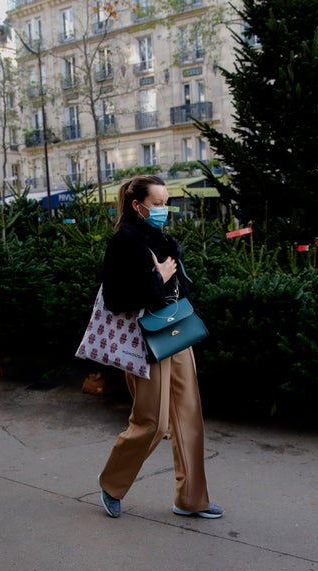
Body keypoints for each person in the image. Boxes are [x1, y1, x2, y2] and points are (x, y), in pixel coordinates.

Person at [96, 175, 222, 520]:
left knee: (189, 418)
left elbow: (175, 288)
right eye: (158, 204)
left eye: (167, 203)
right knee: (151, 421)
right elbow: (116, 299)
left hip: (176, 332)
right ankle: (112, 482)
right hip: (145, 341)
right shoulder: (123, 242)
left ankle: (191, 499)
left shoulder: (161, 239)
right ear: (138, 206)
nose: (165, 210)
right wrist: (158, 280)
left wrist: (171, 281)